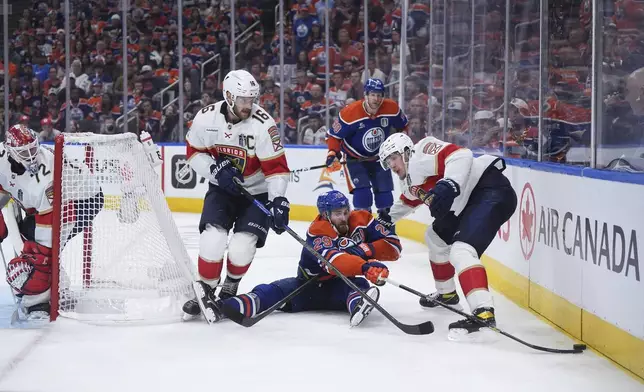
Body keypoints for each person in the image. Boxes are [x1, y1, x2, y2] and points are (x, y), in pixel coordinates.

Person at [194, 190, 402, 326]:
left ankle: (358, 303)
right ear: (325, 215)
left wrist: (365, 251)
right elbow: (334, 264)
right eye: (338, 213)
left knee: (356, 285)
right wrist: (366, 266)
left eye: (346, 211)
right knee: (270, 291)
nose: (344, 217)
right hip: (308, 288)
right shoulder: (317, 232)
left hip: (341, 286)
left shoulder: (362, 220)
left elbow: (393, 247)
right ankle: (224, 307)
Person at [377, 133, 517, 334]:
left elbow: (460, 155)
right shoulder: (408, 179)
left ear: (406, 151)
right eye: (387, 161)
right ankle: (447, 295)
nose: (391, 164)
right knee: (435, 238)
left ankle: (483, 311)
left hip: (489, 189)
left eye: (393, 157)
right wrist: (386, 219)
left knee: (461, 250)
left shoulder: (422, 150)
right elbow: (409, 200)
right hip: (467, 202)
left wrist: (448, 184)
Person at [183, 69, 291, 324]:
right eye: (243, 99)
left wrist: (278, 200)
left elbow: (276, 169)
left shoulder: (263, 125)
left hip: (257, 192)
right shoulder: (206, 119)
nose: (248, 105)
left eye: (251, 99)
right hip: (223, 190)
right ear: (229, 96)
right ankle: (206, 289)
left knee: (242, 246)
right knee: (212, 239)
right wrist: (214, 170)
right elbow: (192, 152)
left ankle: (231, 286)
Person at [0, 125, 106, 320]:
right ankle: (60, 287)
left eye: (33, 149)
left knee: (42, 250)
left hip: (83, 199)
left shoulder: (46, 176)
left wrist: (37, 262)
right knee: (31, 240)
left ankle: (40, 300)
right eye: (24, 152)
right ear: (9, 151)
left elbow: (46, 237)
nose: (31, 156)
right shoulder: (1, 155)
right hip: (56, 201)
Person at [326, 78, 408, 217]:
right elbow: (333, 136)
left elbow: (403, 126)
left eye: (379, 95)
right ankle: (362, 230)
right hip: (354, 158)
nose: (376, 99)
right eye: (372, 94)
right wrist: (333, 153)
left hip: (380, 158)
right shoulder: (349, 113)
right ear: (366, 95)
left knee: (385, 196)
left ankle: (387, 232)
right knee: (363, 196)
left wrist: (403, 145)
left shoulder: (391, 108)